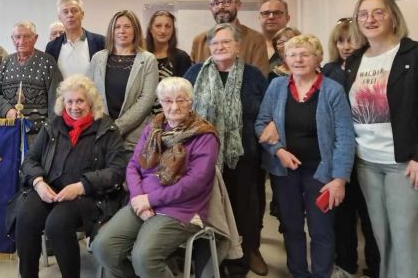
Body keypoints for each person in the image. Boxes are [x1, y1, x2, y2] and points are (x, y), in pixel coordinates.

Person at [92, 77, 220, 278]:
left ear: (191, 102)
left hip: (180, 208)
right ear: (160, 103)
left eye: (181, 100)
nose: (174, 107)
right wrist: (137, 198)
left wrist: (149, 200)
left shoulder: (204, 136)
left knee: (144, 256)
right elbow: (134, 165)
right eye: (168, 101)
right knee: (103, 247)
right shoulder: (154, 128)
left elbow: (194, 183)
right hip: (142, 201)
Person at [255, 35, 355, 278]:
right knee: (291, 227)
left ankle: (321, 274)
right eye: (292, 54)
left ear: (318, 58)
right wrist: (278, 150)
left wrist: (340, 178)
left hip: (321, 171)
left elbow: (345, 136)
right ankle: (299, 272)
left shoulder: (332, 90)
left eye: (305, 54)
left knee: (321, 230)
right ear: (285, 59)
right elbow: (260, 124)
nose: (298, 59)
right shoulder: (277, 87)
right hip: (284, 170)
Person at [14, 74, 126, 278]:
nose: (75, 107)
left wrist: (81, 186)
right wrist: (38, 182)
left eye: (80, 101)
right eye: (70, 101)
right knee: (26, 217)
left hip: (88, 196)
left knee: (57, 224)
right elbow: (30, 160)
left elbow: (117, 171)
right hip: (50, 189)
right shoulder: (53, 125)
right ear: (63, 102)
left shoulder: (107, 129)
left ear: (91, 102)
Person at [185, 23, 268, 277]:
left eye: (226, 42)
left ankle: (245, 255)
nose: (220, 47)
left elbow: (266, 111)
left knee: (245, 206)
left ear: (238, 46)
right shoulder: (195, 72)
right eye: (215, 43)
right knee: (210, 207)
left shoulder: (253, 75)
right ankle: (212, 257)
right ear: (209, 47)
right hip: (203, 154)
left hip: (243, 154)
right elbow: (184, 109)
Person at [344, 0, 418, 278]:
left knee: (405, 238)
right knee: (381, 236)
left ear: (393, 16)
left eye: (378, 12)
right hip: (366, 162)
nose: (370, 19)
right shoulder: (355, 61)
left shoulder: (411, 54)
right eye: (363, 13)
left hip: (402, 163)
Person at [319, 18, 379, 277]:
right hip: (339, 153)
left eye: (351, 40)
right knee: (342, 215)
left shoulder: (370, 67)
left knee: (369, 215)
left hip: (368, 149)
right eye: (340, 41)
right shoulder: (329, 70)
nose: (346, 46)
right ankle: (345, 264)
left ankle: (376, 266)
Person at [88, 10, 158, 154]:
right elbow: (89, 93)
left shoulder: (148, 59)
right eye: (117, 27)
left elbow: (147, 99)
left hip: (134, 137)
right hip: (100, 133)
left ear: (135, 30)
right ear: (111, 31)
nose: (122, 31)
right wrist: (104, 126)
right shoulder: (98, 58)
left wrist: (117, 127)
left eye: (127, 26)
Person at [0, 21, 62, 138]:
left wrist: (50, 130)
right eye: (18, 37)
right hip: (9, 132)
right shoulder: (6, 62)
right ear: (12, 39)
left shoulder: (48, 62)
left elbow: (57, 99)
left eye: (27, 36)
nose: (22, 41)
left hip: (39, 134)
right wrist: (7, 111)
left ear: (35, 38)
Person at [190, 0, 270, 76]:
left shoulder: (255, 39)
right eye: (215, 3)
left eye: (226, 2)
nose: (221, 7)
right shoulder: (199, 41)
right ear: (210, 8)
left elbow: (260, 79)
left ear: (238, 5)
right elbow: (193, 81)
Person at [145, 10, 192, 115]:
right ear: (151, 30)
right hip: (142, 119)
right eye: (158, 26)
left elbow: (185, 94)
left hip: (173, 116)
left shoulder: (181, 58)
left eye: (168, 26)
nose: (163, 30)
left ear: (173, 31)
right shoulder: (141, 56)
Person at [46, 0, 105, 78]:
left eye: (74, 11)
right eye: (65, 12)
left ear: (82, 15)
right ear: (59, 17)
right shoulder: (52, 47)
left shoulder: (100, 42)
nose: (70, 15)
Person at [259, 0, 291, 69]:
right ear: (259, 18)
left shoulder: (299, 46)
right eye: (266, 13)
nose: (271, 17)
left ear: (287, 18)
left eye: (277, 13)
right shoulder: (248, 45)